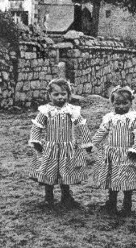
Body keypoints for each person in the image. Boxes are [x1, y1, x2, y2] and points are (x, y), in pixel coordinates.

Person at [29, 78, 92, 207]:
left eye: (63, 94)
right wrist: (35, 140)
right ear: (49, 95)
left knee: (66, 171)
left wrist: (87, 142)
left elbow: (81, 125)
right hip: (50, 147)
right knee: (49, 171)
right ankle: (49, 196)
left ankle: (66, 196)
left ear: (68, 95)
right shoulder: (45, 111)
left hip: (67, 147)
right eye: (56, 94)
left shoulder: (72, 110)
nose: (60, 97)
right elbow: (37, 126)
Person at [90, 85, 136, 216]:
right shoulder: (109, 118)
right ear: (112, 103)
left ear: (131, 102)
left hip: (127, 155)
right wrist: (92, 143)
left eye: (125, 103)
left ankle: (127, 204)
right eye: (118, 103)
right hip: (112, 154)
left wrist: (135, 149)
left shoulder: (134, 119)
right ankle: (111, 203)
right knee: (113, 180)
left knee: (127, 180)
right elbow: (102, 132)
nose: (121, 107)